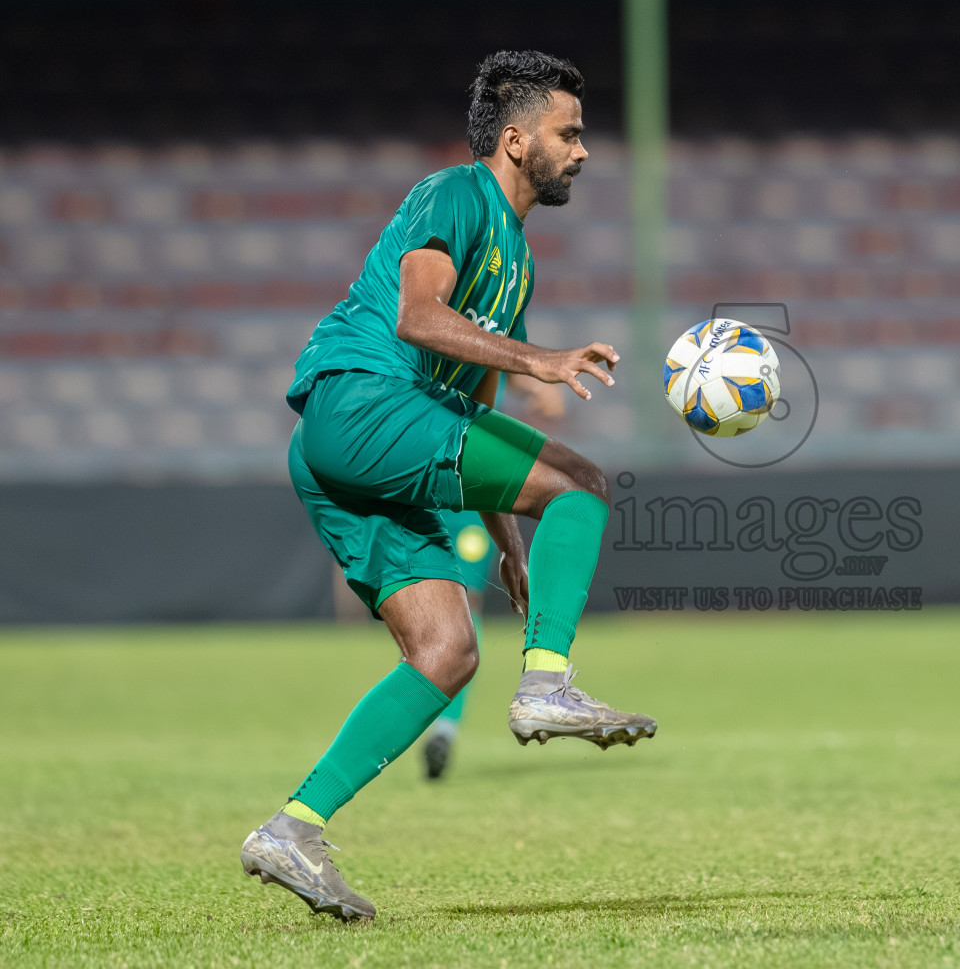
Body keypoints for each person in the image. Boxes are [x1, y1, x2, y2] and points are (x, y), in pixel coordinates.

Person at [240, 50, 655, 922]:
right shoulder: (453, 196)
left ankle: (294, 827)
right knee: (579, 482)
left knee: (447, 652)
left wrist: (506, 536)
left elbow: (473, 405)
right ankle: (547, 680)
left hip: (348, 446)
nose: (583, 151)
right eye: (569, 133)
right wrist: (542, 357)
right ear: (515, 138)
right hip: (364, 401)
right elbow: (419, 318)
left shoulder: (517, 259)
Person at [421, 375, 568, 781]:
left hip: (467, 490)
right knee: (430, 613)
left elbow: (502, 361)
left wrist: (536, 385)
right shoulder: (428, 324)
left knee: (461, 606)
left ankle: (442, 729)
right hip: (423, 480)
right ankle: (434, 723)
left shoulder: (490, 328)